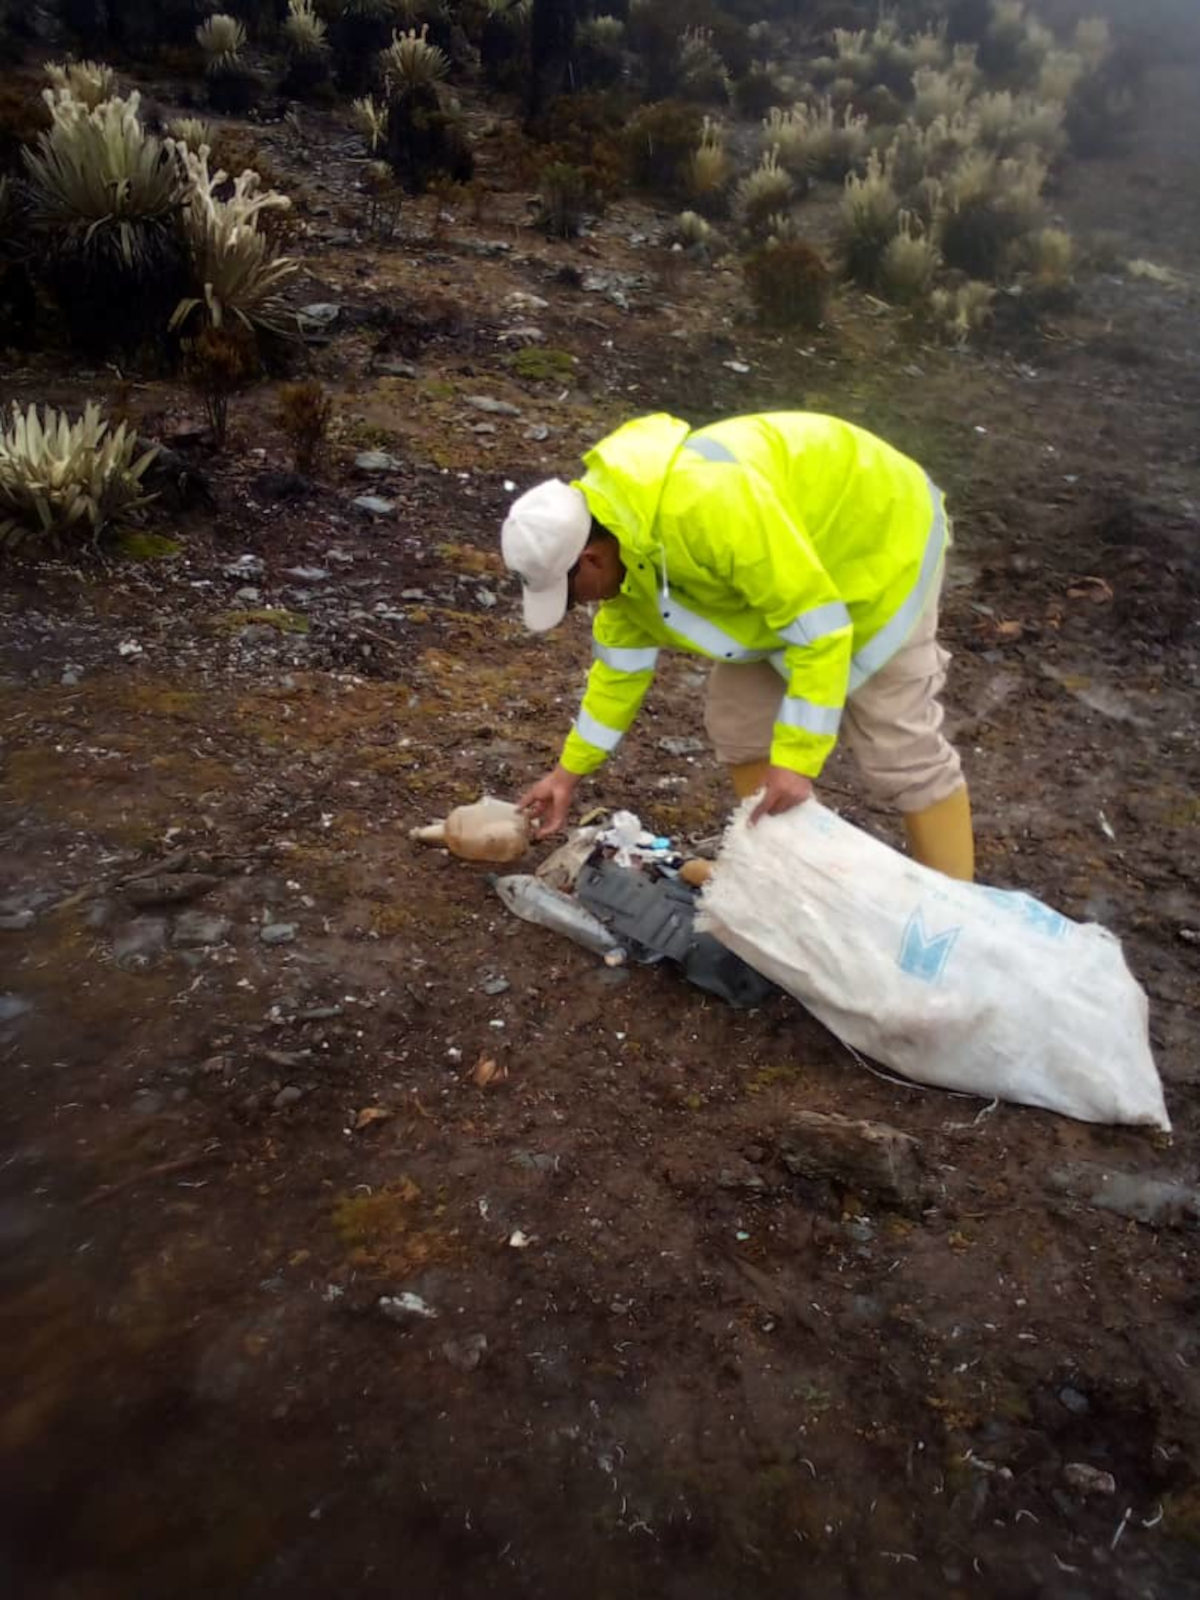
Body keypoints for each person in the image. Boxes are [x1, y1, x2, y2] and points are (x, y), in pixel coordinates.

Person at [500, 410, 974, 880]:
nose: (575, 607)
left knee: (896, 742)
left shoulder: (707, 510)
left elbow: (819, 628)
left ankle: (954, 913)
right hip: (790, 573)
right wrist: (566, 776)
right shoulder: (625, 567)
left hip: (875, 536)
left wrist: (796, 761)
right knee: (740, 722)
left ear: (590, 559)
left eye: (568, 595)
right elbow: (616, 679)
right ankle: (793, 876)